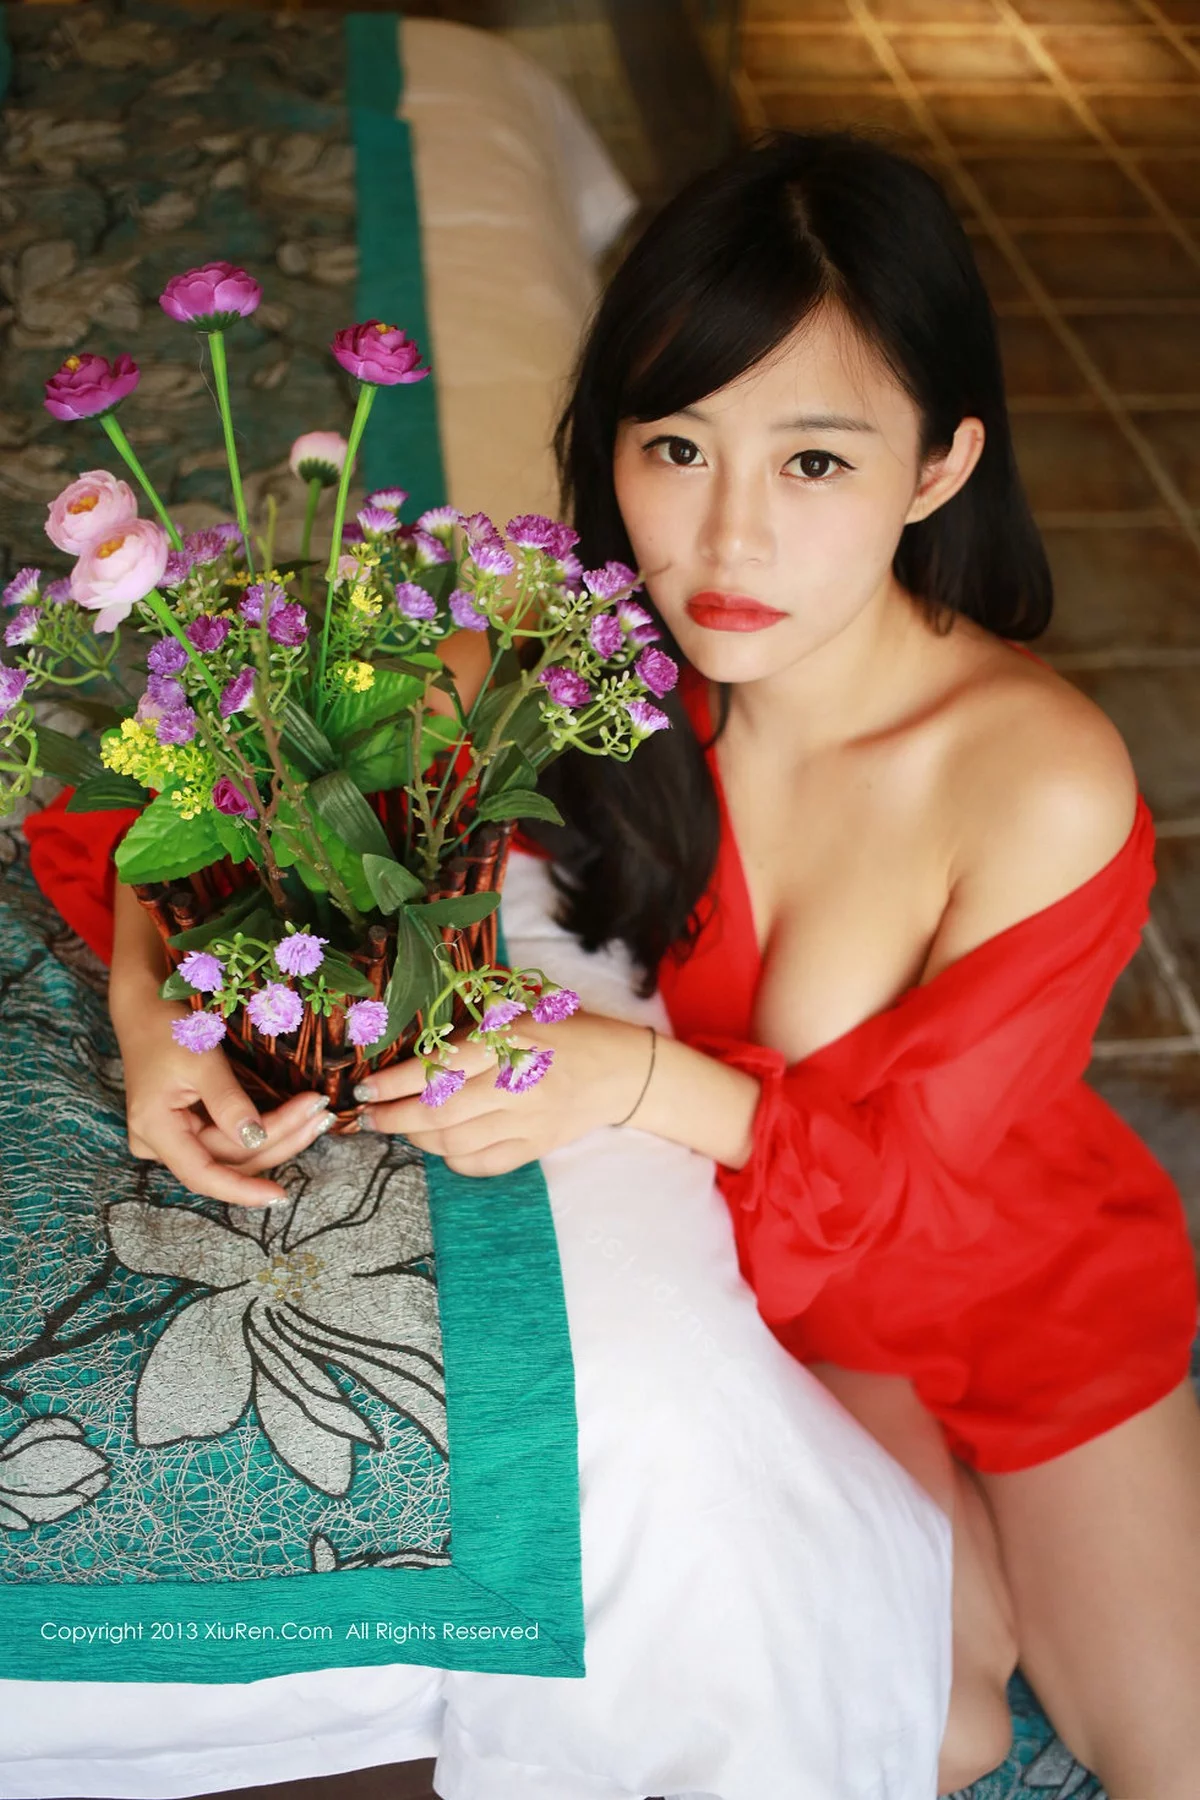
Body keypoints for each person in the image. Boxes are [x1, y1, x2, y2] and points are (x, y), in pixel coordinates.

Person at [22, 129, 1199, 1795]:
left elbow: (924, 1196)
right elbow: (213, 774)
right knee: (929, 1724)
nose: (729, 540)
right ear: (614, 449)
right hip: (805, 1315)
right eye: (677, 447)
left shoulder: (1037, 774)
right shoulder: (583, 658)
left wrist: (636, 1076)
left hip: (1001, 1276)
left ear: (939, 467)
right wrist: (159, 1023)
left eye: (814, 462)